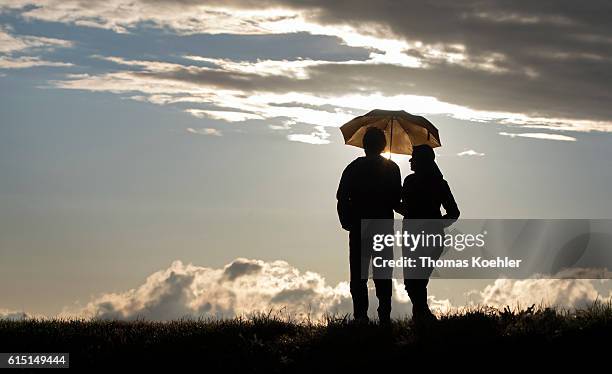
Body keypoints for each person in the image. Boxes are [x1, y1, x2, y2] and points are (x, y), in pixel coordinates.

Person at [336, 127, 401, 324]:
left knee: (358, 273)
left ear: (364, 146)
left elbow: (341, 197)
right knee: (382, 273)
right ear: (383, 145)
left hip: (359, 226)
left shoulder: (353, 167)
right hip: (382, 225)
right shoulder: (392, 168)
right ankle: (384, 316)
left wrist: (346, 221)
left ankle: (360, 316)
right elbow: (396, 198)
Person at [395, 144, 460, 324]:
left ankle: (423, 319)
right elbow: (404, 208)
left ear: (421, 161)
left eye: (413, 157)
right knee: (414, 282)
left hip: (428, 238)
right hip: (414, 238)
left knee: (416, 281)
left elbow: (454, 212)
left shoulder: (438, 184)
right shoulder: (411, 182)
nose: (410, 160)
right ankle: (422, 319)